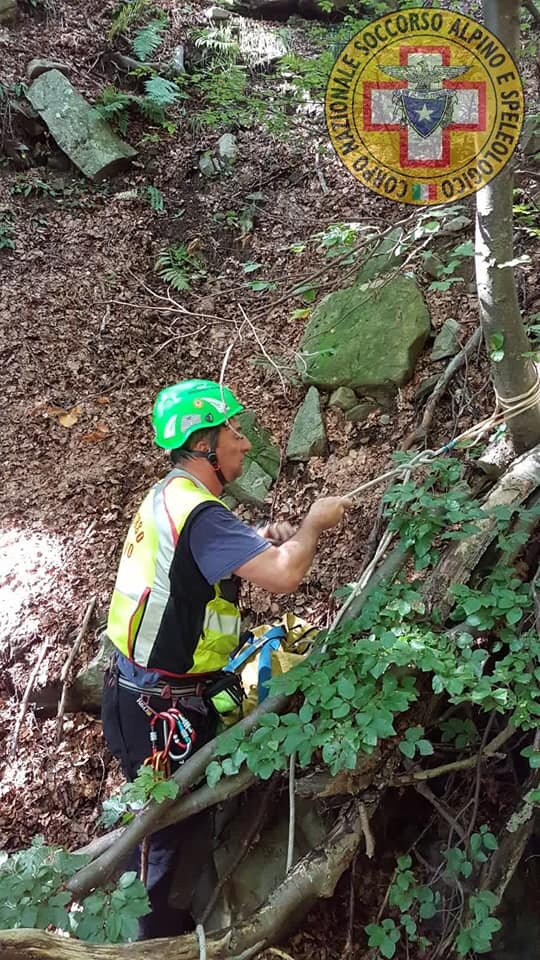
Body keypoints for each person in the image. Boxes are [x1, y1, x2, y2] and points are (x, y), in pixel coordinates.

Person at [102, 378, 352, 939]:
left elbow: (197, 566)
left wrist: (259, 540)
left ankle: (175, 922)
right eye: (234, 431)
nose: (244, 441)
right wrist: (311, 528)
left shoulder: (171, 496)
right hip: (156, 711)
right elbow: (286, 576)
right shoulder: (201, 514)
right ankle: (151, 943)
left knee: (173, 826)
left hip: (141, 696)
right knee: (159, 839)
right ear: (203, 445)